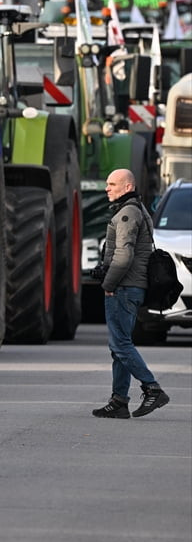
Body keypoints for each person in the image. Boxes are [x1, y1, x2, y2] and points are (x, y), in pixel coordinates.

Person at [93, 168, 170, 419]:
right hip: (129, 286)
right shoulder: (136, 209)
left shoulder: (127, 214)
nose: (107, 188)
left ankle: (152, 388)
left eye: (112, 184)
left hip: (124, 288)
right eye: (107, 183)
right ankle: (119, 401)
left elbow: (124, 256)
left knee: (121, 344)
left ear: (127, 187)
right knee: (119, 347)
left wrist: (108, 284)